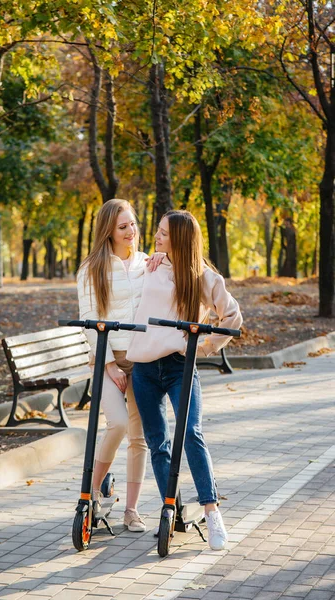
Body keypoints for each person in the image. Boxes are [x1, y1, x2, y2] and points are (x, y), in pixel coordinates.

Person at [127, 209, 243, 550]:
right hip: (145, 369)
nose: (157, 237)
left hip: (180, 366)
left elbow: (232, 317)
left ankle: (211, 511)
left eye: (163, 233)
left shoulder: (203, 276)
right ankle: (170, 510)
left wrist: (205, 348)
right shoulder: (151, 265)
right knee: (157, 441)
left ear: (179, 239)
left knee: (191, 433)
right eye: (158, 231)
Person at [76, 198, 161, 533]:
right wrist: (109, 363)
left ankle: (131, 510)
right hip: (107, 361)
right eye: (123, 227)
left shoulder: (148, 264)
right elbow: (89, 321)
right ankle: (92, 494)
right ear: (108, 231)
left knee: (139, 437)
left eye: (133, 225)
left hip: (142, 360)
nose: (131, 232)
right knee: (119, 424)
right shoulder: (91, 269)